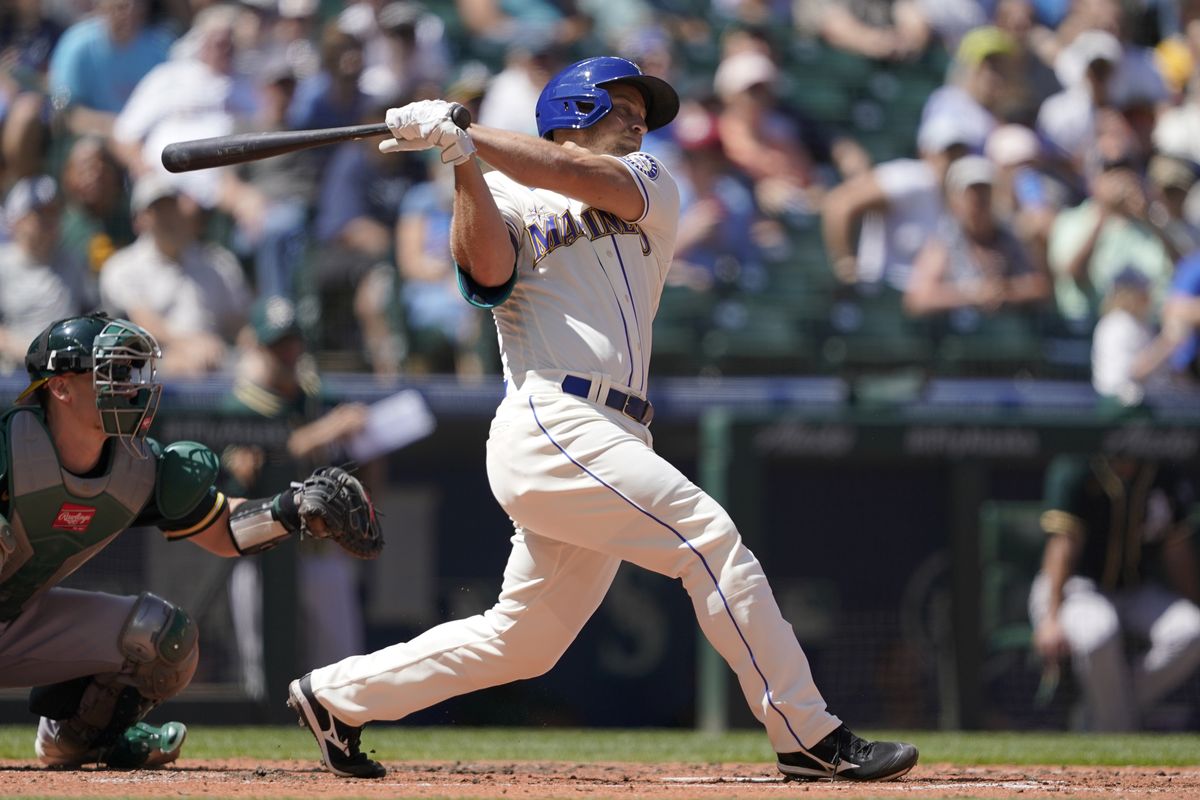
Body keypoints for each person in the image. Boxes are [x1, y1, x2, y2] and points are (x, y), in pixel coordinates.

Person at [286, 56, 919, 782]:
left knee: (526, 639)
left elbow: (588, 180)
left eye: (640, 113)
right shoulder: (502, 192)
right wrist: (460, 160)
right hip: (551, 416)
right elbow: (486, 276)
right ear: (574, 108)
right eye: (621, 108)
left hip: (613, 429)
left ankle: (335, 696)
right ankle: (808, 734)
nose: (639, 121)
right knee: (707, 538)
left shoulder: (650, 178)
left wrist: (468, 132)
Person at [0, 311, 380, 768]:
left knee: (163, 638)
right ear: (60, 386)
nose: (128, 386)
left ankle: (78, 737)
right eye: (111, 372)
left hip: (14, 622)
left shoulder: (136, 468)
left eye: (129, 372)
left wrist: (295, 508)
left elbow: (225, 529)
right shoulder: (10, 446)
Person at [1030, 453, 1200, 731]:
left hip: (1136, 589)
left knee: (1192, 631)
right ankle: (1115, 727)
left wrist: (1195, 602)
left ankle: (1097, 712)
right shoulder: (1077, 468)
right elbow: (1062, 547)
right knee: (1099, 633)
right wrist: (1051, 616)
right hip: (1076, 587)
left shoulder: (1163, 472)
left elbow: (1177, 552)